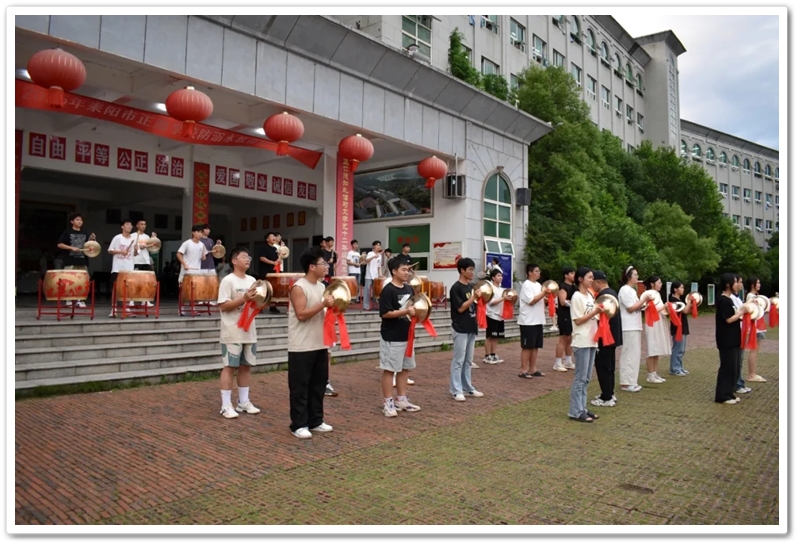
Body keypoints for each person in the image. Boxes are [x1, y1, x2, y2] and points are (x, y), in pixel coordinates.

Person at [287, 247, 336, 439]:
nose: (326, 266)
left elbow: (323, 312)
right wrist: (323, 304)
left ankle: (316, 420)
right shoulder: (299, 287)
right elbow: (301, 314)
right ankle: (298, 424)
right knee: (300, 386)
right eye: (323, 263)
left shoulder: (322, 287)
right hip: (301, 345)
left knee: (318, 385)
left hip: (320, 343)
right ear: (312, 266)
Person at [216, 246, 261, 419]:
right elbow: (223, 306)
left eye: (249, 257)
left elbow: (257, 304)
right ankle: (226, 405)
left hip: (249, 331)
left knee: (246, 367)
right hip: (232, 331)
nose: (248, 259)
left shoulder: (252, 280)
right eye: (244, 257)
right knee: (229, 367)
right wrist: (244, 298)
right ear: (234, 261)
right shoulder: (228, 281)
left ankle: (243, 402)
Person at [379, 256, 421, 417]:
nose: (407, 273)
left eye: (408, 270)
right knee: (390, 370)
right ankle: (387, 402)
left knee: (405, 369)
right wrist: (405, 311)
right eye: (403, 270)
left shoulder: (408, 289)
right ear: (394, 271)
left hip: (407, 335)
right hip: (392, 336)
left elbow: (413, 308)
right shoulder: (388, 290)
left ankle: (401, 399)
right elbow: (385, 313)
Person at [567, 267, 603, 422]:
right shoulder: (576, 297)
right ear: (580, 279)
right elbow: (578, 320)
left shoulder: (590, 295)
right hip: (581, 340)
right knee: (580, 378)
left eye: (592, 277)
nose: (592, 280)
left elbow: (594, 316)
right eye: (589, 277)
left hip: (592, 340)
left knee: (587, 378)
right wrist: (594, 313)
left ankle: (582, 407)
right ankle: (575, 411)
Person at [449, 257, 484, 401]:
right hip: (460, 327)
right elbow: (460, 308)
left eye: (473, 269)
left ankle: (467, 387)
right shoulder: (456, 288)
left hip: (471, 326)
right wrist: (473, 297)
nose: (472, 272)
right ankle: (456, 389)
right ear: (462, 270)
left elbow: (473, 306)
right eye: (469, 269)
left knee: (468, 361)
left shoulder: (470, 287)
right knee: (458, 360)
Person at [591, 271, 621, 407]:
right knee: (609, 366)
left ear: (598, 282)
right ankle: (610, 392)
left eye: (592, 282)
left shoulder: (603, 296)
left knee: (603, 366)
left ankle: (606, 396)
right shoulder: (612, 293)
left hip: (605, 335)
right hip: (613, 335)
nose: (591, 285)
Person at [715, 273, 746, 404]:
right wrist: (741, 312)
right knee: (727, 367)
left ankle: (729, 393)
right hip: (726, 339)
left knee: (734, 367)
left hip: (733, 338)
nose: (737, 285)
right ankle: (722, 396)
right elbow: (728, 319)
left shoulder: (730, 299)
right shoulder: (723, 300)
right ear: (728, 284)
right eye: (735, 282)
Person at [56, 212, 97, 308]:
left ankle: (80, 299)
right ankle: (68, 300)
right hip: (70, 260)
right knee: (68, 280)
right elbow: (59, 244)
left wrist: (93, 239)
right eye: (77, 220)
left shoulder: (86, 232)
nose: (79, 222)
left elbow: (91, 246)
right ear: (72, 221)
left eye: (81, 220)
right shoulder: (67, 232)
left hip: (83, 260)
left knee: (83, 281)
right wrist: (71, 248)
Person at [618, 266, 647, 392]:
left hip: (635, 325)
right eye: (635, 274)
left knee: (634, 354)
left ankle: (632, 381)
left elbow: (636, 306)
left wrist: (643, 305)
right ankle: (626, 382)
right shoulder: (625, 290)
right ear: (629, 276)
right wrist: (643, 300)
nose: (637, 277)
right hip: (628, 326)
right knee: (628, 354)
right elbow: (630, 308)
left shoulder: (632, 290)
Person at [517, 264, 547, 378]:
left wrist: (547, 298)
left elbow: (540, 299)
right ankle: (523, 370)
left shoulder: (538, 285)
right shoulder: (526, 285)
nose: (539, 273)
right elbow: (531, 301)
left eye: (539, 271)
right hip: (528, 321)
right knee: (527, 346)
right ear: (530, 273)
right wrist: (544, 293)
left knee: (535, 346)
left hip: (538, 319)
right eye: (536, 271)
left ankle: (532, 369)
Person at [643, 275, 670, 384]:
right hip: (651, 323)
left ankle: (654, 373)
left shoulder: (657, 294)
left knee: (657, 349)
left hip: (659, 322)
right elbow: (650, 309)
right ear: (652, 284)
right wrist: (664, 306)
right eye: (658, 282)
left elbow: (661, 310)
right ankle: (650, 375)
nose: (660, 284)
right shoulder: (647, 294)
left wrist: (667, 309)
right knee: (652, 348)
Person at [177, 224, 208, 316]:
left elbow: (204, 257)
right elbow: (179, 254)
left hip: (196, 272)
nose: (200, 234)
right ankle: (181, 309)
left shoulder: (202, 245)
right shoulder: (187, 243)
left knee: (195, 291)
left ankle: (193, 308)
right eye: (198, 232)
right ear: (193, 233)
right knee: (183, 291)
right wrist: (184, 264)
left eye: (201, 232)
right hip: (186, 271)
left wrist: (203, 257)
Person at [108, 219, 136, 317]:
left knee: (128, 289)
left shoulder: (133, 239)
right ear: (122, 227)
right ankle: (113, 309)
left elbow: (135, 254)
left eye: (131, 225)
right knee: (115, 288)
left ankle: (126, 307)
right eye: (127, 224)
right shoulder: (117, 238)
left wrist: (136, 251)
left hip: (129, 268)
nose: (129, 226)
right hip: (118, 268)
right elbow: (110, 250)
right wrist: (121, 252)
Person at [731, 275, 753, 396]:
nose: (740, 284)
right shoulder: (731, 298)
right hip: (737, 331)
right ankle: (737, 384)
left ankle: (739, 382)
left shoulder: (737, 297)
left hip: (742, 330)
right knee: (737, 359)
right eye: (738, 282)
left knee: (739, 359)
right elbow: (738, 312)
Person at [743, 277, 767, 383]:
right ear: (752, 285)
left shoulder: (754, 296)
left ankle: (752, 373)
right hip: (755, 327)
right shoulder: (751, 296)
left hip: (758, 326)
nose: (759, 285)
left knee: (755, 350)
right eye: (758, 283)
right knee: (754, 350)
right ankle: (751, 374)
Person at [483, 269, 509, 364]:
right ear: (493, 277)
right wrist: (503, 298)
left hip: (500, 315)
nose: (500, 277)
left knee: (496, 337)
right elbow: (491, 302)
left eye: (501, 275)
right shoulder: (490, 289)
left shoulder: (502, 290)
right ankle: (487, 356)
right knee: (490, 336)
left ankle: (493, 354)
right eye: (498, 275)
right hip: (491, 315)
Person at [554, 266, 576, 372]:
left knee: (570, 338)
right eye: (571, 273)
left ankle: (568, 360)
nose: (574, 275)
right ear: (566, 275)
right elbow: (563, 302)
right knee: (563, 338)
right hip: (564, 316)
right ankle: (557, 362)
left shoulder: (574, 287)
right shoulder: (563, 287)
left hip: (572, 315)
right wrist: (573, 303)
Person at [132, 219, 158, 308]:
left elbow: (153, 248)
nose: (143, 226)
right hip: (135, 261)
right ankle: (131, 300)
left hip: (145, 261)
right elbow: (131, 248)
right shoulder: (132, 236)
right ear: (137, 225)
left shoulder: (147, 237)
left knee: (145, 282)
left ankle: (145, 300)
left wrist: (153, 239)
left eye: (144, 224)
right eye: (141, 224)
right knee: (134, 282)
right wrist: (139, 247)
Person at [668, 281, 691, 376]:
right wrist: (689, 301)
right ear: (675, 289)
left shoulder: (679, 300)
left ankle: (679, 367)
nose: (683, 289)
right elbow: (685, 310)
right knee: (678, 348)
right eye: (681, 287)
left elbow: (687, 311)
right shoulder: (674, 300)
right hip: (677, 327)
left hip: (682, 326)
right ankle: (675, 369)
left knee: (681, 349)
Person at [258, 232, 281, 314]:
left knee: (273, 289)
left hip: (273, 273)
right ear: (267, 239)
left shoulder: (275, 249)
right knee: (263, 290)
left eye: (274, 236)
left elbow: (277, 260)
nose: (274, 238)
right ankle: (260, 307)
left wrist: (279, 259)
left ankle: (272, 306)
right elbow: (262, 258)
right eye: (271, 236)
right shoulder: (264, 247)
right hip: (264, 272)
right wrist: (272, 263)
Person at [363, 240, 383, 311]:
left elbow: (379, 267)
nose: (378, 246)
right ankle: (366, 306)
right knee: (367, 291)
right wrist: (374, 256)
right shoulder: (370, 253)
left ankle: (375, 305)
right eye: (377, 245)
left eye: (379, 245)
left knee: (376, 291)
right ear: (373, 246)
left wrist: (380, 274)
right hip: (369, 275)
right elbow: (366, 261)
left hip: (375, 275)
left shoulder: (380, 256)